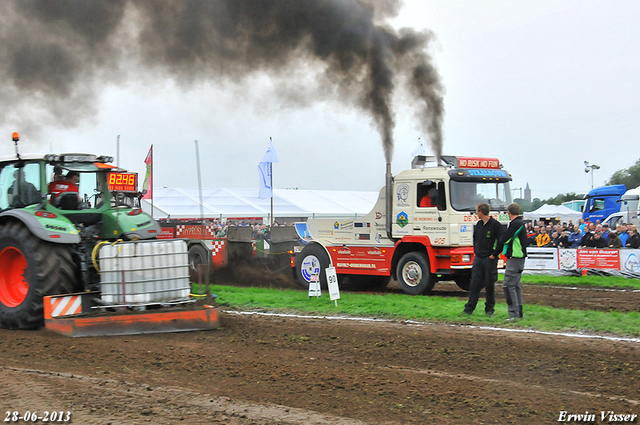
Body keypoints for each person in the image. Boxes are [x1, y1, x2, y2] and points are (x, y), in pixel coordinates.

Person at [463, 203, 503, 317]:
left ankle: (489, 309)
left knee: (489, 284)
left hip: (489, 259)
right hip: (478, 258)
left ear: (481, 212)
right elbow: (475, 238)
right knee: (474, 283)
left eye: (477, 211)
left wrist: (494, 255)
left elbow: (501, 241)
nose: (476, 213)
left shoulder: (495, 225)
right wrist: (476, 250)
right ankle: (469, 308)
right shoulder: (479, 224)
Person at [499, 203, 527, 321]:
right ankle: (518, 313)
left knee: (508, 285)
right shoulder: (520, 223)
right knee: (515, 286)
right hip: (518, 258)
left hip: (515, 258)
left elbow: (504, 238)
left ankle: (514, 314)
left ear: (509, 213)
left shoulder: (516, 224)